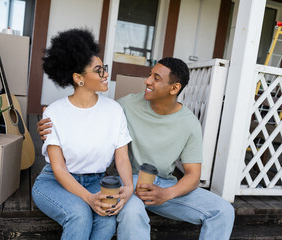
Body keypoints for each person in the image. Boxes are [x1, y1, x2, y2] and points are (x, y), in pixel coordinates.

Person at [38, 57, 235, 240]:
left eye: (155, 78)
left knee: (224, 210)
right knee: (128, 213)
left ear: (174, 88)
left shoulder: (189, 123)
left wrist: (167, 193)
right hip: (129, 181)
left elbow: (193, 175)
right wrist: (52, 119)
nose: (147, 81)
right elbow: (86, 112)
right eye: (150, 74)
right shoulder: (125, 106)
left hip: (163, 185)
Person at [32, 29, 133, 240]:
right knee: (79, 215)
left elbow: (121, 157)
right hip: (56, 182)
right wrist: (89, 198)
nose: (106, 74)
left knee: (107, 220)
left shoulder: (114, 110)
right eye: (99, 70)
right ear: (78, 78)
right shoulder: (54, 112)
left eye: (104, 68)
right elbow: (58, 168)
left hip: (97, 181)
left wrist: (129, 187)